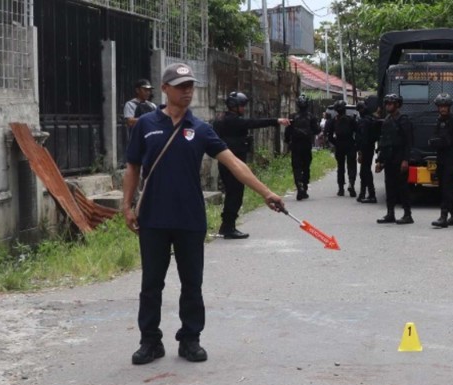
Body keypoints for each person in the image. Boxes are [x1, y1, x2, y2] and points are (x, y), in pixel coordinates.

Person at [122, 63, 286, 365]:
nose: (187, 91)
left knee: (191, 283)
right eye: (180, 85)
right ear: (165, 89)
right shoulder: (145, 124)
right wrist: (127, 205)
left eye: (190, 86)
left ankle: (190, 339)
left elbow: (235, 164)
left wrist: (266, 192)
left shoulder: (200, 129)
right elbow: (132, 167)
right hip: (154, 219)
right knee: (151, 284)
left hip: (190, 219)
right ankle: (150, 342)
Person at [212, 91, 290, 239]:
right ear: (234, 106)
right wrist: (276, 120)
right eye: (241, 105)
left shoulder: (220, 119)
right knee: (235, 195)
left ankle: (227, 226)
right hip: (234, 164)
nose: (243, 108)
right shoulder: (232, 121)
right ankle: (228, 227)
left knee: (232, 194)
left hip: (227, 163)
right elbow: (254, 123)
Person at [430, 93, 453, 228]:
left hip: (452, 159)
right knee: (444, 188)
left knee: (447, 188)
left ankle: (443, 217)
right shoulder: (439, 121)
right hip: (441, 159)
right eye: (440, 106)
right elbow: (436, 137)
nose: (443, 109)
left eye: (445, 106)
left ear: (449, 107)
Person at [375, 94, 414, 224]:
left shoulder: (403, 120)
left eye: (391, 104)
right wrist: (379, 161)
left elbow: (409, 142)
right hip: (389, 159)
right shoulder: (386, 120)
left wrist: (405, 160)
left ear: (397, 105)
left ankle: (407, 214)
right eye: (386, 104)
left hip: (400, 158)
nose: (388, 106)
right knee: (389, 187)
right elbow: (383, 142)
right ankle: (390, 213)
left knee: (403, 188)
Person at [284, 94, 321, 200]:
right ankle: (304, 187)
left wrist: (287, 141)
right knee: (306, 166)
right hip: (306, 145)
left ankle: (299, 185)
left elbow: (287, 131)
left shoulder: (292, 116)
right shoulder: (311, 117)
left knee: (296, 167)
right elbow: (318, 130)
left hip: (295, 145)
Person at [325, 100, 358, 197]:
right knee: (351, 166)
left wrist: (335, 143)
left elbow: (329, 136)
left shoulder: (332, 121)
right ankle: (351, 183)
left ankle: (341, 189)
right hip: (350, 144)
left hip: (339, 145)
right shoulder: (351, 119)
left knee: (340, 167)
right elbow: (358, 132)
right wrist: (356, 144)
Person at [355, 100, 380, 203]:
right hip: (369, 148)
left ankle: (370, 194)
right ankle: (364, 194)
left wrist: (360, 152)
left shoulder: (364, 121)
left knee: (365, 172)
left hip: (365, 149)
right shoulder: (372, 119)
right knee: (365, 171)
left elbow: (363, 138)